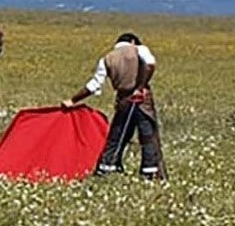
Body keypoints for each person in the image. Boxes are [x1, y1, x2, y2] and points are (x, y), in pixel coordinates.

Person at [62, 31, 165, 179]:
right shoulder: (139, 49)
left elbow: (94, 85)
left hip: (123, 99)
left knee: (117, 135)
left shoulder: (107, 59)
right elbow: (150, 65)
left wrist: (73, 100)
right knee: (147, 135)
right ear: (133, 41)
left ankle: (107, 168)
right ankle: (150, 172)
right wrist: (140, 87)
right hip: (142, 99)